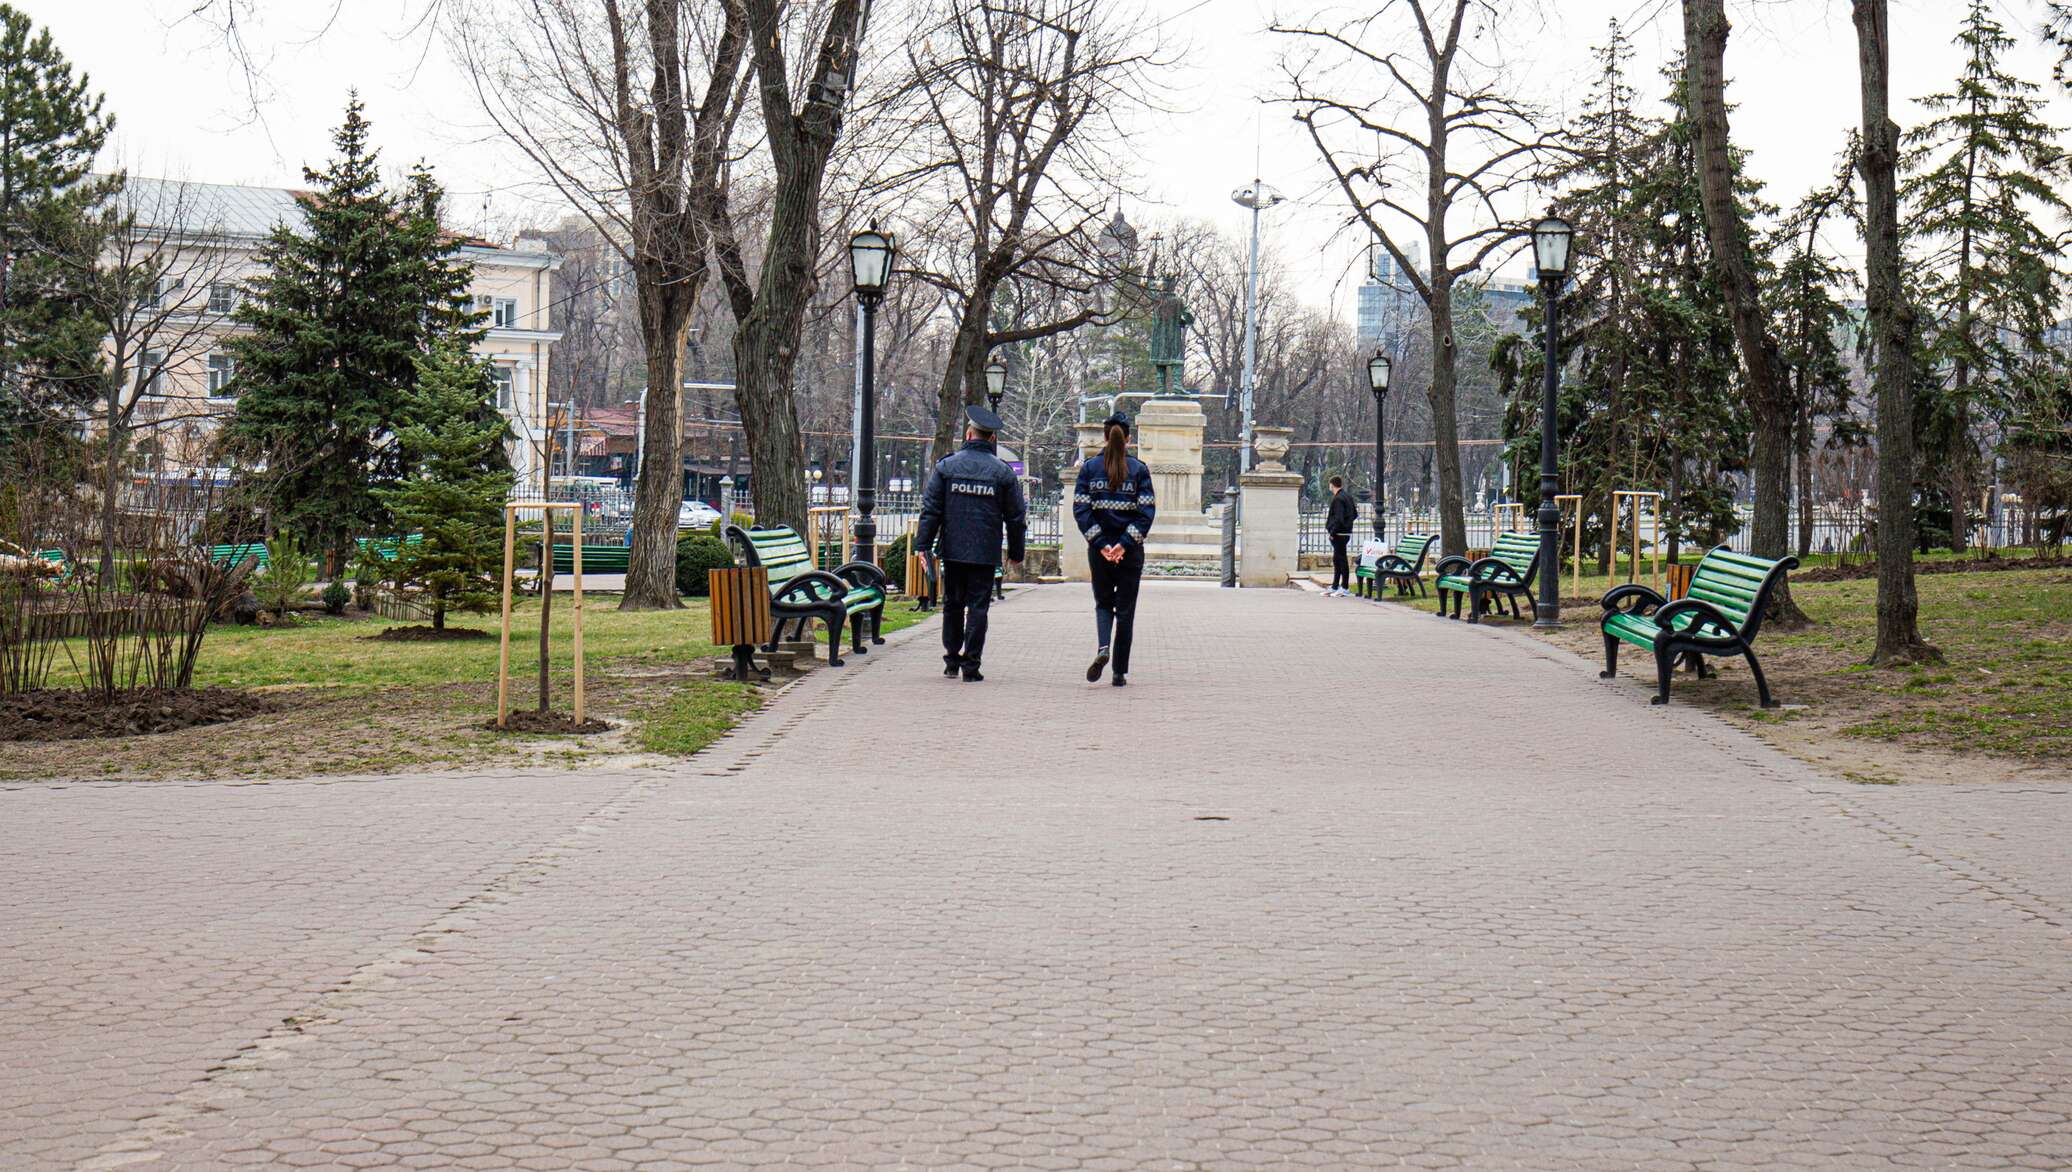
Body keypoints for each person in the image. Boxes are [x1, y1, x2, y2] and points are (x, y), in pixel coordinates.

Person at [916, 404, 1026, 682]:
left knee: (952, 603)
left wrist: (922, 545)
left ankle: (951, 660)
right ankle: (971, 665)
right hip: (985, 552)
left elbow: (931, 510)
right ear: (992, 439)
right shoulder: (1002, 473)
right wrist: (1016, 552)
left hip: (952, 549)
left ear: (968, 435)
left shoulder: (947, 467)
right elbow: (1015, 517)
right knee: (978, 606)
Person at [1073, 412, 1157, 687]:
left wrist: (1103, 545)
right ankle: (1119, 671)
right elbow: (1146, 512)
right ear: (1129, 438)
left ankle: (1102, 648)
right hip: (1130, 552)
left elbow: (1082, 510)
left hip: (1099, 551)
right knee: (1126, 611)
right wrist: (1123, 544)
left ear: (1104, 437)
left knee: (1103, 603)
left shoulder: (1088, 468)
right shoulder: (1139, 470)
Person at [1325, 475, 1356, 596]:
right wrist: (1348, 524)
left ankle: (1344, 586)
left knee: (1341, 560)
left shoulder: (1338, 499)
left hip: (1338, 533)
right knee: (1337, 559)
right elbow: (1354, 514)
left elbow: (1338, 518)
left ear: (1332, 485)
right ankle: (1335, 585)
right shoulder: (1347, 496)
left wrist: (1333, 532)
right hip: (1345, 532)